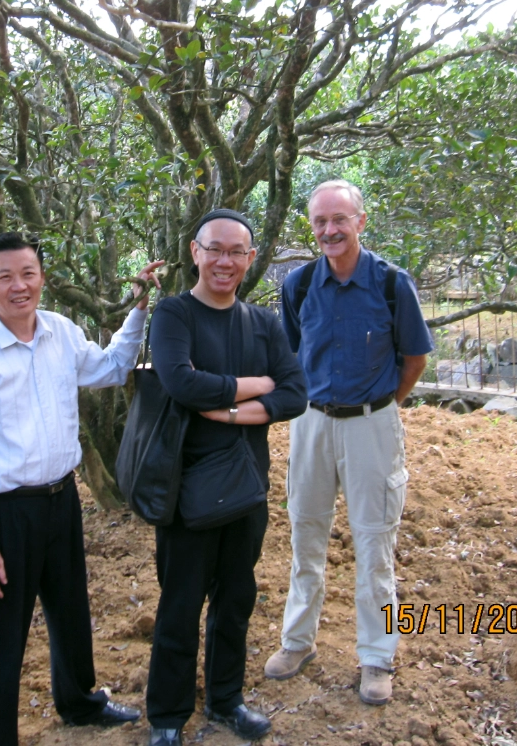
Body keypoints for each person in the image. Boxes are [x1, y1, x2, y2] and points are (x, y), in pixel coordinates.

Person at [0, 231, 163, 746]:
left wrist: (139, 307)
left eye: (28, 274)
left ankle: (80, 702)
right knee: (0, 633)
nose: (19, 286)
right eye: (5, 277)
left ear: (41, 276)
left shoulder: (61, 332)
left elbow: (111, 368)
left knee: (70, 610)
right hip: (5, 512)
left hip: (61, 498)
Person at [264, 181, 434, 706]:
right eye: (320, 222)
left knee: (374, 543)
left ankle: (377, 657)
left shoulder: (390, 284)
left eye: (339, 220)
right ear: (312, 228)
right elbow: (290, 358)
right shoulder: (297, 286)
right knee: (305, 535)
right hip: (312, 423)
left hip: (372, 425)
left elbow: (414, 359)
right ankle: (297, 641)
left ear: (361, 222)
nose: (329, 231)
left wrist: (382, 410)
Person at [145, 209, 308, 746]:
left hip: (245, 485)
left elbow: (293, 394)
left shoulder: (262, 322)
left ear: (250, 259)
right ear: (194, 251)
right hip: (186, 487)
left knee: (236, 598)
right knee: (181, 603)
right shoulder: (173, 315)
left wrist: (234, 410)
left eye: (237, 252)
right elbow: (180, 383)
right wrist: (254, 383)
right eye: (215, 249)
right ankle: (167, 717)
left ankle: (225, 699)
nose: (225, 262)